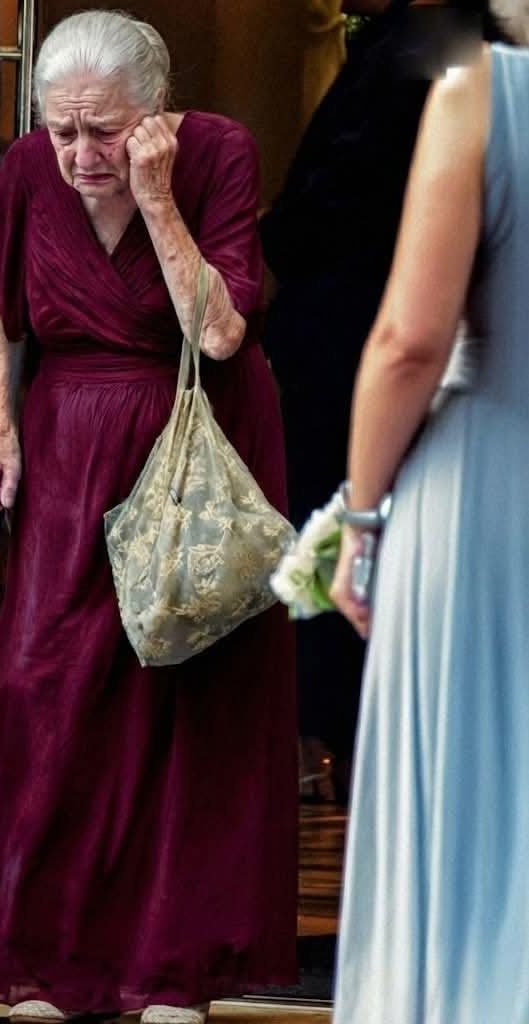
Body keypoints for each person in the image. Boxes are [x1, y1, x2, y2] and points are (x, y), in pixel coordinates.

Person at [0, 11, 297, 1024]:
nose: (80, 154)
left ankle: (170, 970)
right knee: (48, 690)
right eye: (62, 130)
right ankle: (55, 962)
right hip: (67, 449)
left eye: (103, 130)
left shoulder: (217, 153)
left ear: (156, 111)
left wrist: (154, 200)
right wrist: (1, 435)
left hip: (192, 446)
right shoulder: (26, 171)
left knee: (182, 701)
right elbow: (5, 312)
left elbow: (220, 331)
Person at [329, 3, 529, 1019]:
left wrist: (358, 519)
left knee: (466, 819)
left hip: (490, 493)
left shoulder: (484, 92)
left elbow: (410, 340)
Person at [259, 0, 499, 802]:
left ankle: (346, 754)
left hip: (370, 344)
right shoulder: (454, 49)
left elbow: (321, 207)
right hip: (432, 357)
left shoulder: (428, 50)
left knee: (349, 554)